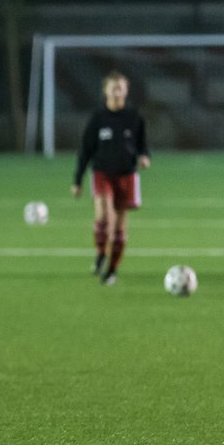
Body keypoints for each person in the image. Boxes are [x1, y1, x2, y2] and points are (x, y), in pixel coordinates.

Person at [71, 70, 151, 285]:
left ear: (126, 91)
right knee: (104, 218)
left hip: (126, 175)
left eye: (121, 88)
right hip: (102, 173)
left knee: (119, 228)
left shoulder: (134, 117)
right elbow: (85, 150)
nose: (117, 92)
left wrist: (144, 157)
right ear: (105, 91)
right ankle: (100, 254)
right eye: (113, 88)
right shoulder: (98, 118)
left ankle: (112, 270)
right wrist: (77, 180)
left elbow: (143, 144)